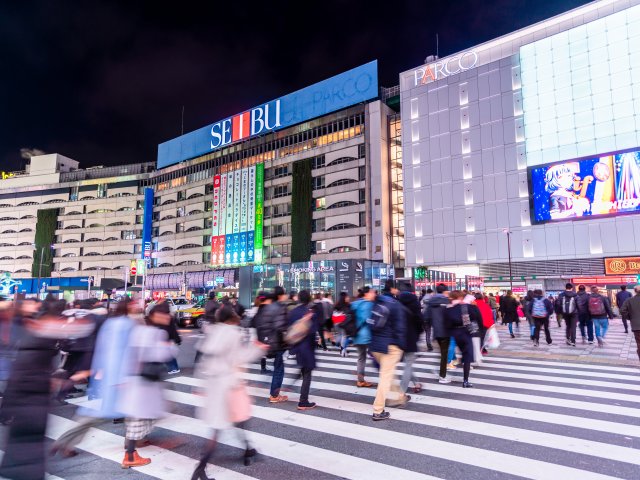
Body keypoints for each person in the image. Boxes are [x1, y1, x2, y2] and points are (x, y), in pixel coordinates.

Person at [0, 299, 94, 480]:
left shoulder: (31, 335)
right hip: (32, 399)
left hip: (29, 398)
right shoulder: (36, 336)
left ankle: (15, 470)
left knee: (23, 441)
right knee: (30, 441)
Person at [51, 297, 141, 458]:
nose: (138, 305)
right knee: (127, 411)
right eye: (134, 303)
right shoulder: (126, 325)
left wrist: (96, 370)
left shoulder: (110, 323)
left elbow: (101, 348)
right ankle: (131, 449)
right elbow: (125, 353)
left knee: (93, 414)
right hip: (119, 377)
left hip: (107, 375)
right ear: (128, 307)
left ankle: (64, 442)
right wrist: (122, 378)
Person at [191, 304, 267, 479]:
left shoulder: (212, 332)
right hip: (228, 385)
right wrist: (258, 349)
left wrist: (200, 386)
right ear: (230, 317)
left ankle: (249, 449)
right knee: (230, 421)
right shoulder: (233, 334)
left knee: (235, 419)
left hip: (214, 385)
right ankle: (199, 470)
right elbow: (238, 358)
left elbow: (203, 361)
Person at [118, 306, 177, 468]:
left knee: (138, 418)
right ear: (155, 315)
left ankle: (132, 449)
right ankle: (130, 455)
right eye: (165, 314)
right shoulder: (155, 333)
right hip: (144, 383)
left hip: (136, 381)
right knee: (138, 419)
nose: (168, 317)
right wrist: (170, 347)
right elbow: (162, 354)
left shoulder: (140, 330)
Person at [370, 280, 407, 421]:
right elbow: (400, 328)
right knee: (385, 376)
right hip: (390, 346)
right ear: (393, 290)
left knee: (387, 372)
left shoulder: (377, 302)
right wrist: (401, 346)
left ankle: (399, 396)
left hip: (376, 345)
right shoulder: (396, 305)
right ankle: (378, 410)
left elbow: (371, 322)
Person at [255, 286, 290, 403]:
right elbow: (280, 326)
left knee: (278, 368)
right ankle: (274, 395)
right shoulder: (280, 307)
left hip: (269, 342)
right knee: (279, 370)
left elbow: (262, 324)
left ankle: (274, 393)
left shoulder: (268, 307)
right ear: (281, 295)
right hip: (278, 343)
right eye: (284, 294)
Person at [287, 290, 320, 410]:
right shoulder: (310, 313)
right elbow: (312, 332)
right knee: (307, 373)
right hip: (307, 348)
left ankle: (291, 385)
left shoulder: (293, 312)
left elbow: (289, 329)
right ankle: (303, 401)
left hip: (297, 347)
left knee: (303, 370)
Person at [443, 291, 480, 388]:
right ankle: (465, 380)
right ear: (460, 297)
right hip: (466, 333)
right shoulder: (467, 307)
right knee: (467, 355)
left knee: (456, 350)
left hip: (454, 333)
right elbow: (477, 317)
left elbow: (446, 324)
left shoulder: (448, 309)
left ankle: (455, 361)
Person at [395, 280, 423, 394]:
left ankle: (416, 382)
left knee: (408, 361)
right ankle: (401, 391)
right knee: (408, 363)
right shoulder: (415, 303)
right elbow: (419, 320)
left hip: (399, 336)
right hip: (411, 336)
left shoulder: (396, 302)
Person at [423, 283, 451, 383]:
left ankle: (441, 371)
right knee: (444, 354)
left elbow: (426, 317)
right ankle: (442, 376)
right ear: (445, 291)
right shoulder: (447, 301)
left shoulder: (431, 301)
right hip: (446, 331)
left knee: (442, 353)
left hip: (437, 331)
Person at [351, 287, 375, 387]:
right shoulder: (368, 305)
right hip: (366, 335)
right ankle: (386, 378)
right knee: (378, 355)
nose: (374, 294)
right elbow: (368, 320)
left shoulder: (355, 303)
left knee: (361, 357)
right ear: (366, 294)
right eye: (372, 292)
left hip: (356, 335)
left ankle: (360, 379)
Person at [620, 285, 640, 361]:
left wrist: (630, 317)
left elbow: (622, 311)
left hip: (637, 326)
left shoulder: (629, 300)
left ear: (635, 291)